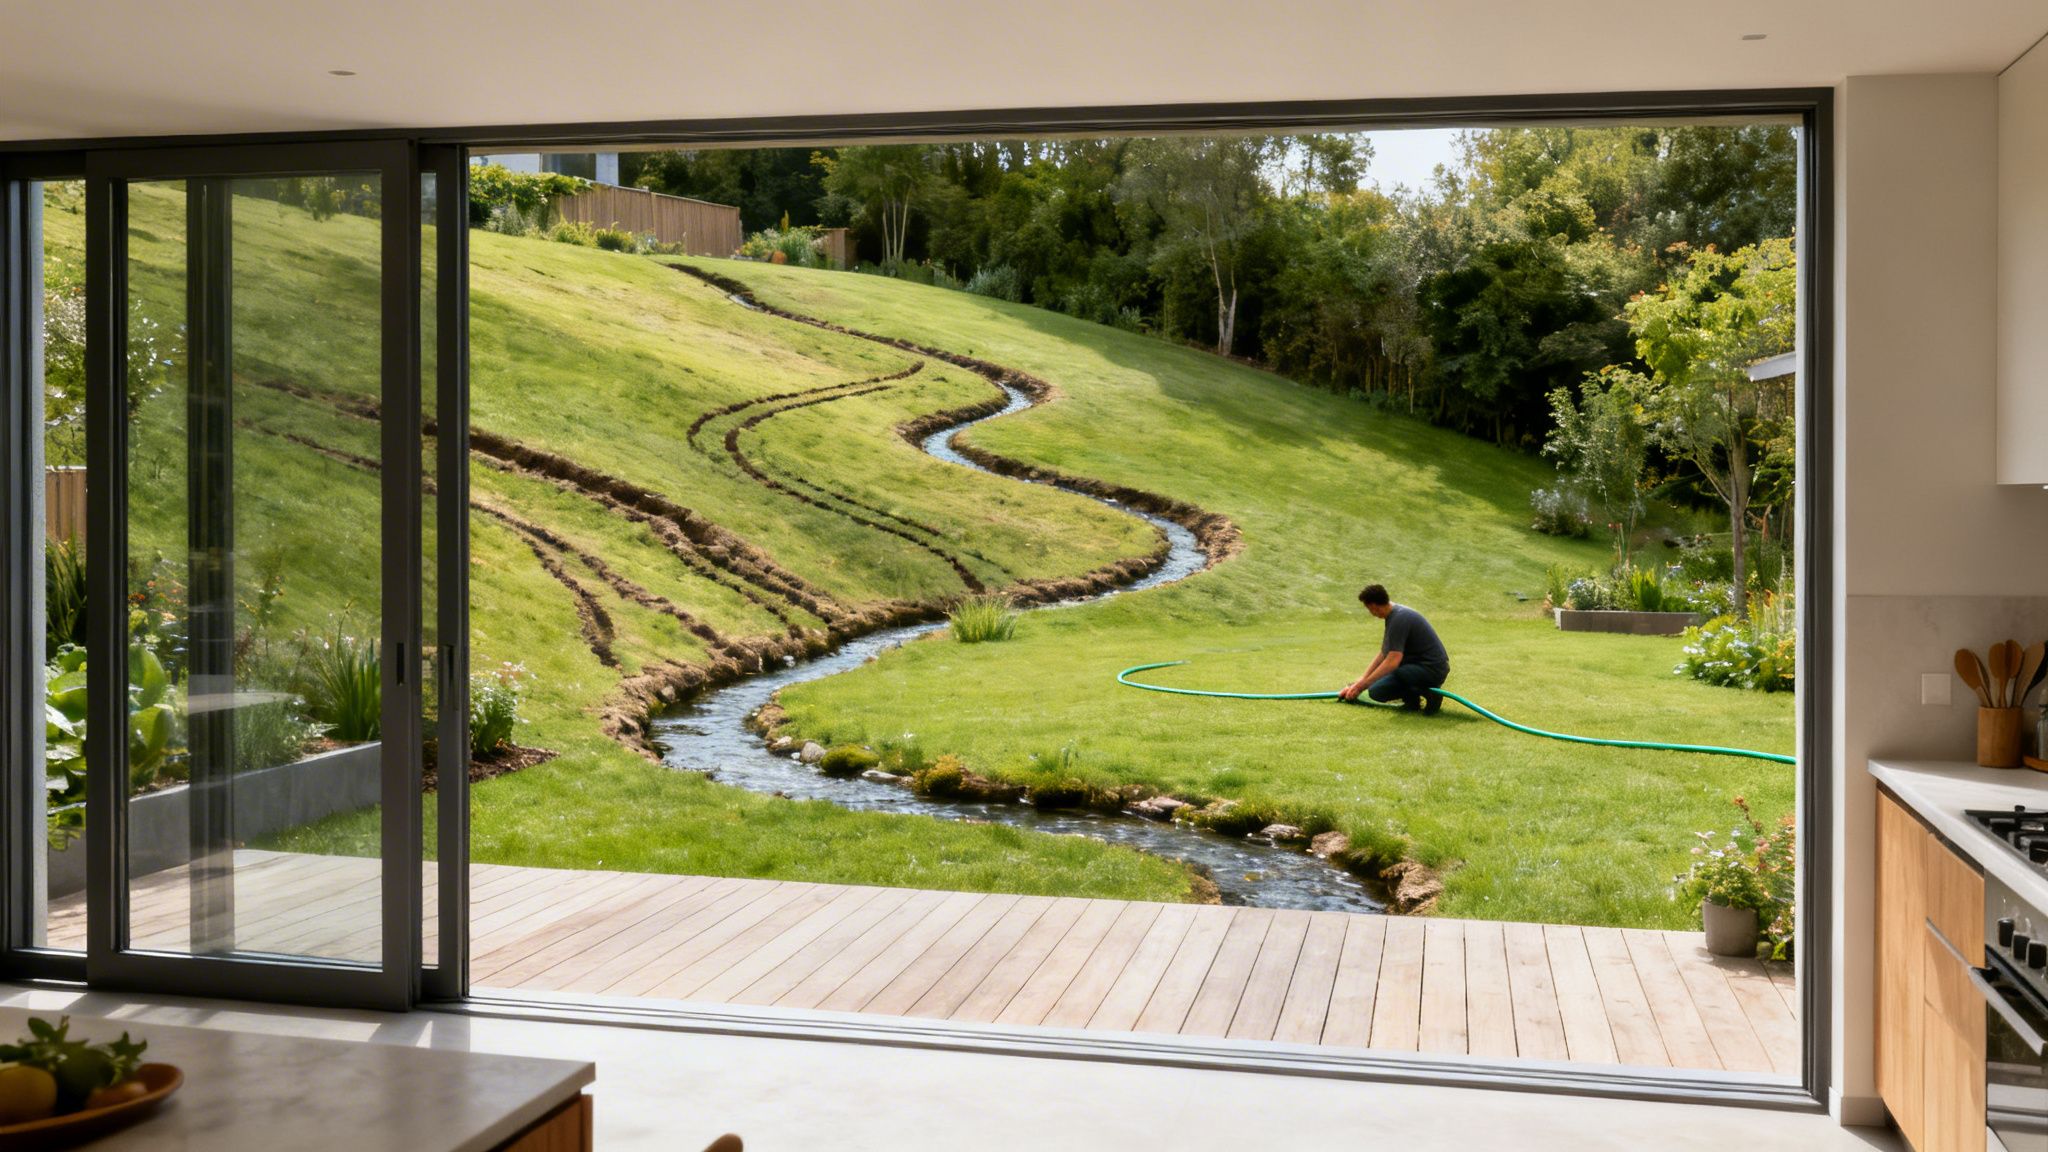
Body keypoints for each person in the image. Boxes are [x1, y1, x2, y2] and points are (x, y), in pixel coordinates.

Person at [1338, 584, 1450, 713]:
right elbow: (1383, 654)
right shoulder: (1394, 616)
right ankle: (1412, 702)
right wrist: (1359, 683)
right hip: (1415, 668)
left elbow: (1392, 661)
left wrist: (1361, 686)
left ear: (1373, 606)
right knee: (1376, 691)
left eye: (1368, 608)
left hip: (1431, 669)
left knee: (1392, 677)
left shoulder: (1400, 618)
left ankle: (1431, 694)